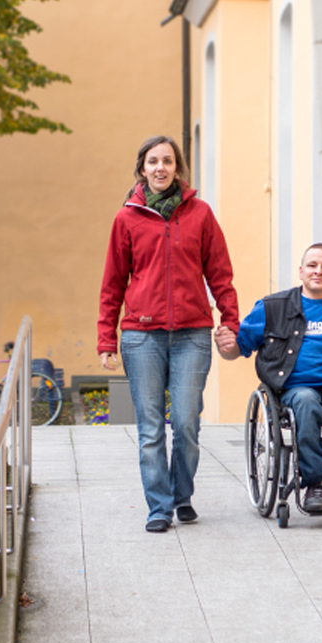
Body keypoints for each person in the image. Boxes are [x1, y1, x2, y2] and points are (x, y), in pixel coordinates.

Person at [98, 135, 239, 533]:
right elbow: (112, 283)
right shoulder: (126, 219)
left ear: (178, 168)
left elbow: (220, 274)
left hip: (193, 333)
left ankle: (182, 495)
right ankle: (160, 506)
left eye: (168, 161)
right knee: (149, 426)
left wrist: (231, 321)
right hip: (142, 336)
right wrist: (106, 338)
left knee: (187, 422)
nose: (161, 168)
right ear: (142, 169)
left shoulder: (201, 215)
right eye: (153, 161)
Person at [214, 243, 322, 514]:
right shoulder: (272, 308)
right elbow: (239, 349)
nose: (319, 271)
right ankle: (314, 482)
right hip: (293, 386)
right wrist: (227, 346)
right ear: (301, 271)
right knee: (305, 402)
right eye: (313, 266)